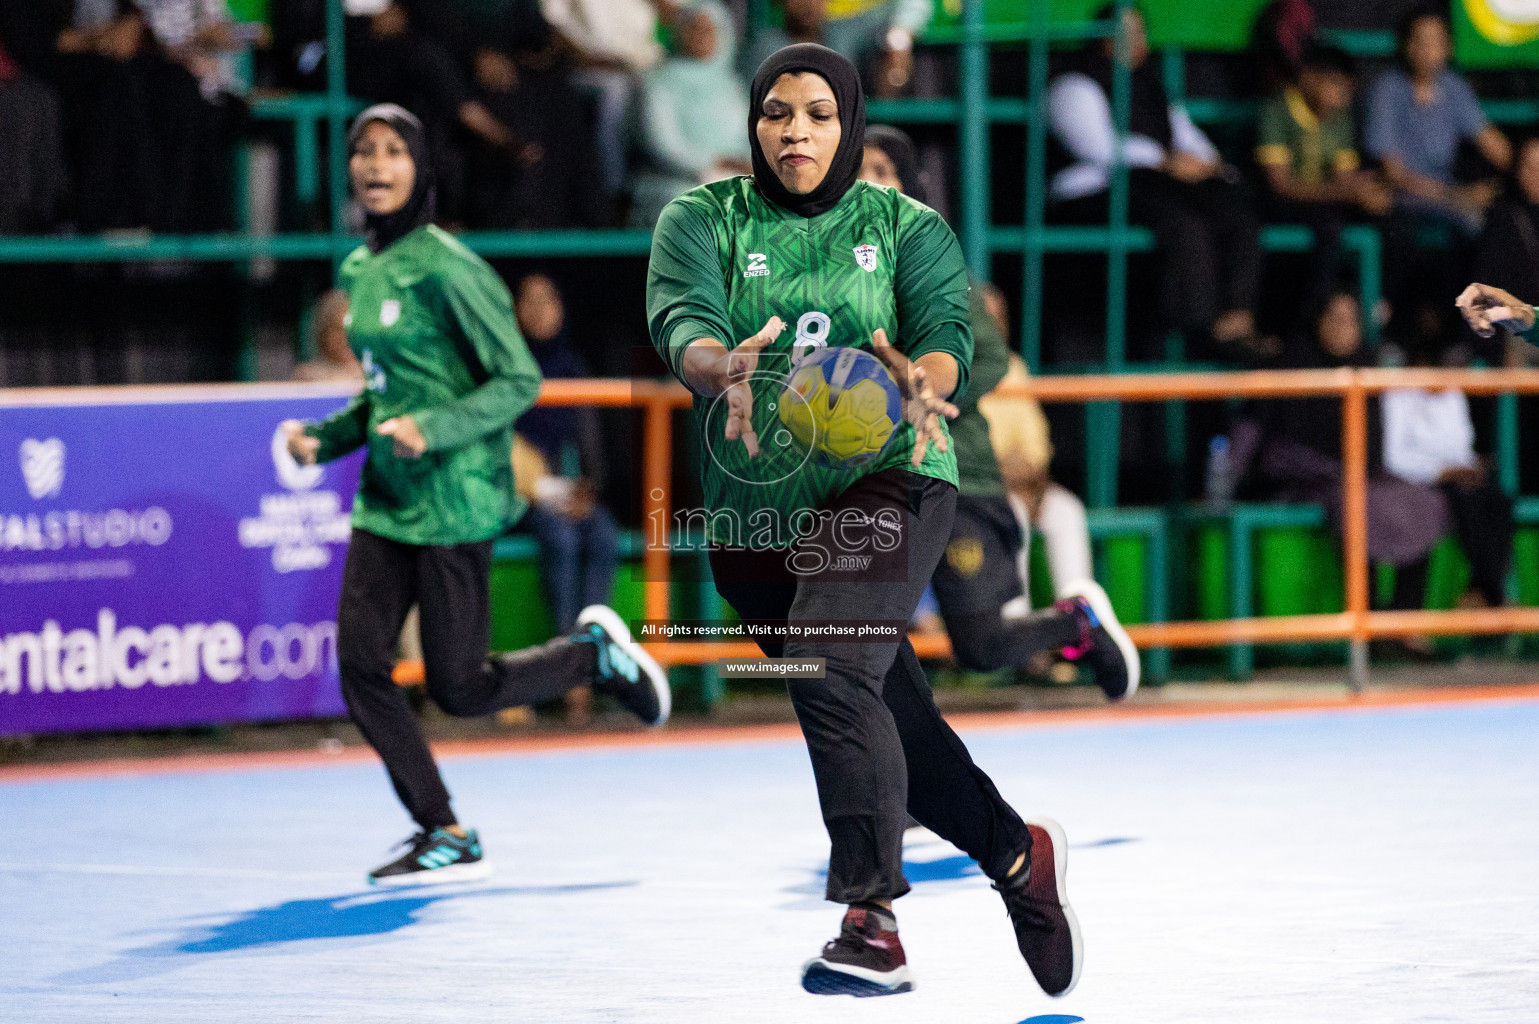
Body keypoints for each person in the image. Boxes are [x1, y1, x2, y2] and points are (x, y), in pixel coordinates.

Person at [647, 43, 1088, 999]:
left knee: (830, 656)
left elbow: (945, 337)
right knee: (898, 729)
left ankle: (871, 918)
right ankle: (1019, 859)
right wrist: (719, 366)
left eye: (816, 113)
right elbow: (681, 321)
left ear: (847, 123)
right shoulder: (701, 217)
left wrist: (923, 384)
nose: (794, 130)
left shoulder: (905, 226)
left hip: (890, 478)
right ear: (754, 124)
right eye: (775, 112)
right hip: (757, 512)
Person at [280, 104, 669, 887]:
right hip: (386, 500)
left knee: (461, 688)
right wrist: (328, 437)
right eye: (364, 152)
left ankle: (590, 655)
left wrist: (437, 428)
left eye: (395, 151)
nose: (376, 165)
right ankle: (442, 827)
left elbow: (518, 380)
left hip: (455, 498)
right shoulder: (359, 270)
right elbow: (386, 395)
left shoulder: (453, 269)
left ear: (421, 168)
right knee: (360, 663)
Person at [860, 123, 1136, 690]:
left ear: (908, 187)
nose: (866, 182)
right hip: (868, 481)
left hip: (955, 475)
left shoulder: (934, 266)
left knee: (982, 646)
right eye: (856, 171)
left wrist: (925, 389)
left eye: (881, 171)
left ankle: (1076, 623)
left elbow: (986, 357)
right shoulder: (820, 270)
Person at [1047, 2, 1268, 361]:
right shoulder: (1073, 84)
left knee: (1235, 207)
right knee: (1184, 225)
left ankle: (1236, 319)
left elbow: (1187, 137)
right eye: (1123, 32)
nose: (1133, 41)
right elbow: (1097, 147)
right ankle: (1196, 331)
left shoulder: (1151, 86)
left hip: (1155, 186)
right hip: (1095, 191)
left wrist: (1206, 164)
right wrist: (1166, 161)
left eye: (1139, 32)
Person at [1249, 292, 1449, 634]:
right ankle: (1366, 625)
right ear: (1318, 322)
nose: (1343, 328)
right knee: (1359, 508)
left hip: (1367, 475)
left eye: (1351, 320)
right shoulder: (1293, 365)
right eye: (1334, 318)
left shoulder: (1366, 366)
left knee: (1424, 502)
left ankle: (1403, 624)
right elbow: (1274, 445)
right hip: (1310, 478)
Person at [1255, 43, 1392, 318]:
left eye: (1346, 90)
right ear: (1308, 77)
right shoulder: (1276, 109)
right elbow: (1281, 185)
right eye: (1335, 86)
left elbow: (1345, 178)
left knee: (1392, 221)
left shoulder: (1340, 116)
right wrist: (1348, 193)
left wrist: (1366, 192)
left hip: (1325, 201)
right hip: (1282, 204)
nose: (1341, 97)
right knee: (1329, 228)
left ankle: (1378, 313)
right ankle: (1313, 318)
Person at [1366, 6, 1511, 237]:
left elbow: (1492, 143)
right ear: (1406, 45)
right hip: (1402, 200)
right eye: (1421, 41)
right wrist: (1456, 197)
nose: (1428, 50)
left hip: (1446, 196)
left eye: (1436, 41)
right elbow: (1393, 173)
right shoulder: (1387, 90)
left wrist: (1525, 174)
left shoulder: (1454, 87)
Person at [629, 1, 753, 227]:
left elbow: (749, 138)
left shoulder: (731, 85)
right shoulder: (658, 83)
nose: (701, 36)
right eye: (693, 28)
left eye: (709, 29)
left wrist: (746, 164)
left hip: (735, 177)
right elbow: (662, 145)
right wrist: (715, 162)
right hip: (674, 181)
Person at [291, 289, 363, 383]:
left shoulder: (374, 374)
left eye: (352, 331)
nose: (345, 339)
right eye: (338, 330)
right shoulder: (308, 376)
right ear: (324, 334)